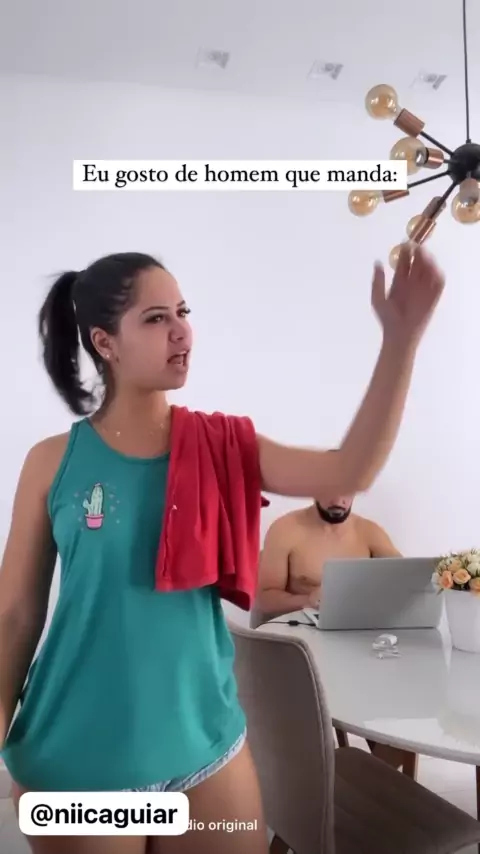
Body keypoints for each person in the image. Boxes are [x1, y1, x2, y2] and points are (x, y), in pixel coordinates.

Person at [0, 245, 443, 854]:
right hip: (81, 755)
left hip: (205, 747)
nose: (181, 330)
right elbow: (15, 615)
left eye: (183, 312)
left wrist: (401, 340)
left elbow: (350, 469)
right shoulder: (53, 461)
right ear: (105, 343)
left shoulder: (221, 446)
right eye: (156, 318)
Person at [256, 493, 401, 620]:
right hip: (300, 627)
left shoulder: (369, 531)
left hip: (356, 626)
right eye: (330, 491)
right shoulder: (285, 529)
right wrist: (308, 601)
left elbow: (406, 579)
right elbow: (265, 600)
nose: (337, 501)